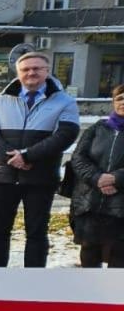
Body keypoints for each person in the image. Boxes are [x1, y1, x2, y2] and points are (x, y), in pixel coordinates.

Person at [0, 51, 79, 268]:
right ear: (18, 72)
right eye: (26, 69)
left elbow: (65, 135)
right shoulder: (0, 99)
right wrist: (10, 157)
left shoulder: (65, 101)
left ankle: (34, 281)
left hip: (40, 177)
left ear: (47, 71)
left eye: (37, 68)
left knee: (36, 231)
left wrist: (27, 155)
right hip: (3, 175)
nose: (31, 72)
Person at [67, 84, 124, 268]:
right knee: (89, 254)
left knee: (119, 256)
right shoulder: (97, 128)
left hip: (120, 204)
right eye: (119, 98)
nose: (123, 102)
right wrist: (97, 178)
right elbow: (78, 157)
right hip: (91, 201)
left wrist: (117, 178)